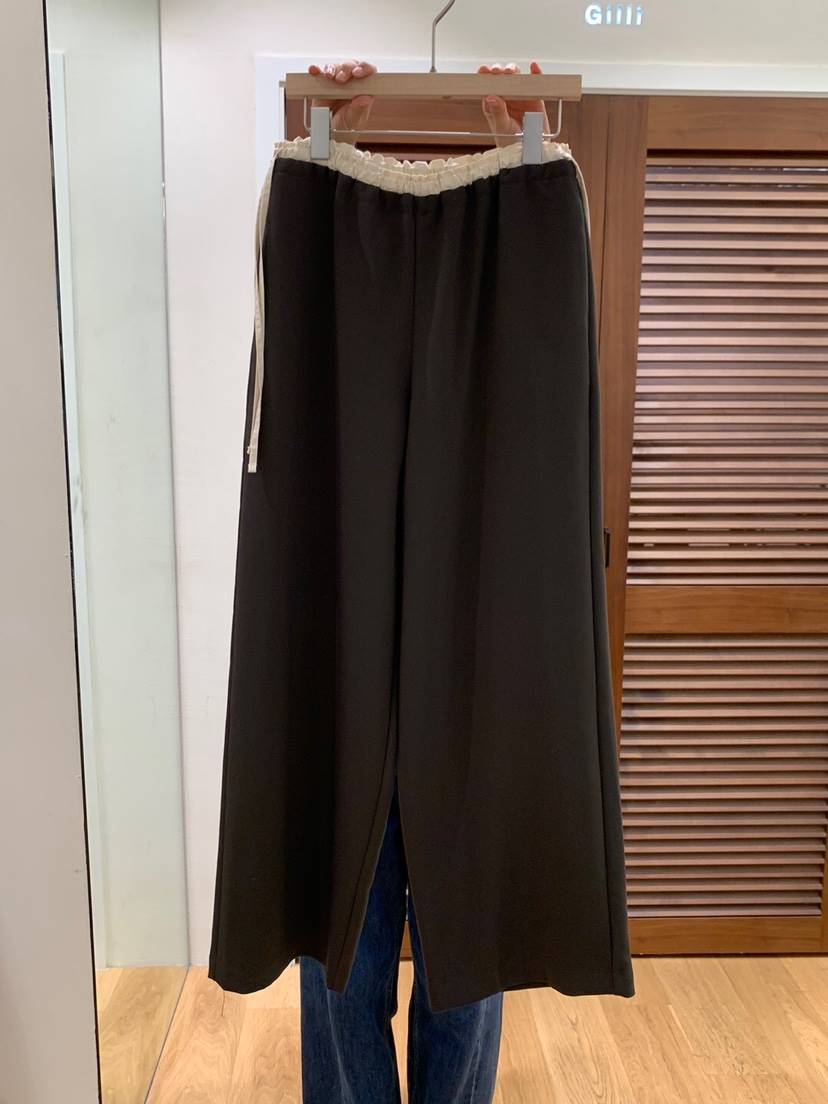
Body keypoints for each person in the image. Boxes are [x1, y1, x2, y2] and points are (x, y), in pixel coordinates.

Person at [297, 58, 552, 1104]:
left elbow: (541, 320)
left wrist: (525, 153)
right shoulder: (321, 292)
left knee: (466, 949)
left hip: (472, 673)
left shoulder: (513, 313)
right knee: (340, 945)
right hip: (347, 670)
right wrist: (322, 146)